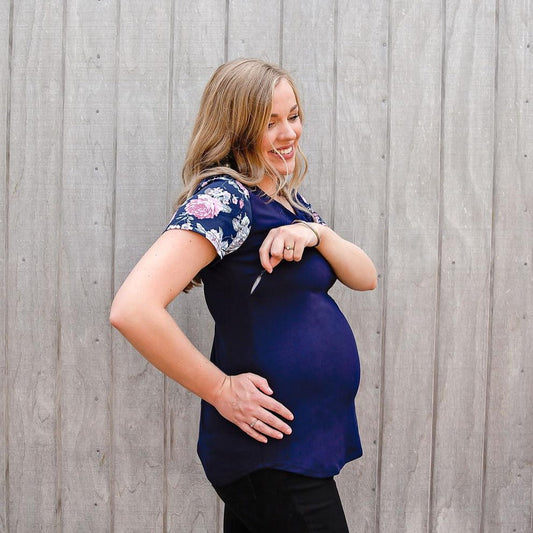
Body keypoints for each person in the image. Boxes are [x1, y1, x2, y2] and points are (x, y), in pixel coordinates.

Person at [110, 58, 377, 532]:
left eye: (293, 116)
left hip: (292, 446)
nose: (289, 132)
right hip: (270, 451)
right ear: (236, 130)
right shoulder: (228, 199)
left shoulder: (288, 202)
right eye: (269, 123)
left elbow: (366, 276)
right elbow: (133, 308)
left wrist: (317, 234)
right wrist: (220, 390)